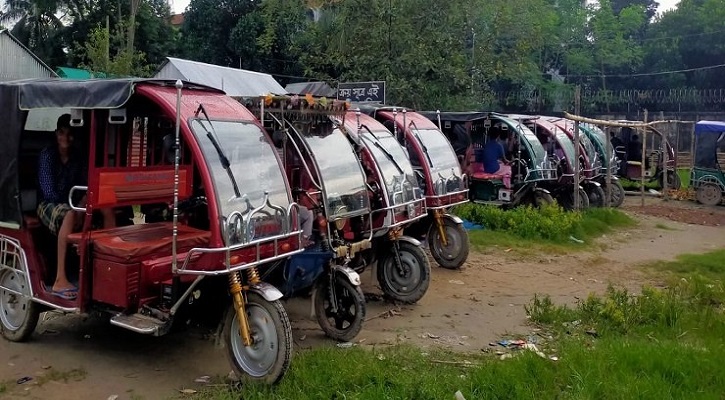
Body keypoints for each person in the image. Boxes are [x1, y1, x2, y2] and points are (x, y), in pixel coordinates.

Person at [37, 114, 115, 300]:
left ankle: (109, 268)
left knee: (107, 208)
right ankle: (60, 279)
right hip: (48, 205)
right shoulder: (48, 155)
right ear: (56, 134)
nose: (65, 138)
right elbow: (50, 193)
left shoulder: (77, 156)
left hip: (72, 202)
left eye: (70, 134)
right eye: (62, 133)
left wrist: (81, 204)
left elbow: (85, 184)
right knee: (70, 215)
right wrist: (76, 208)